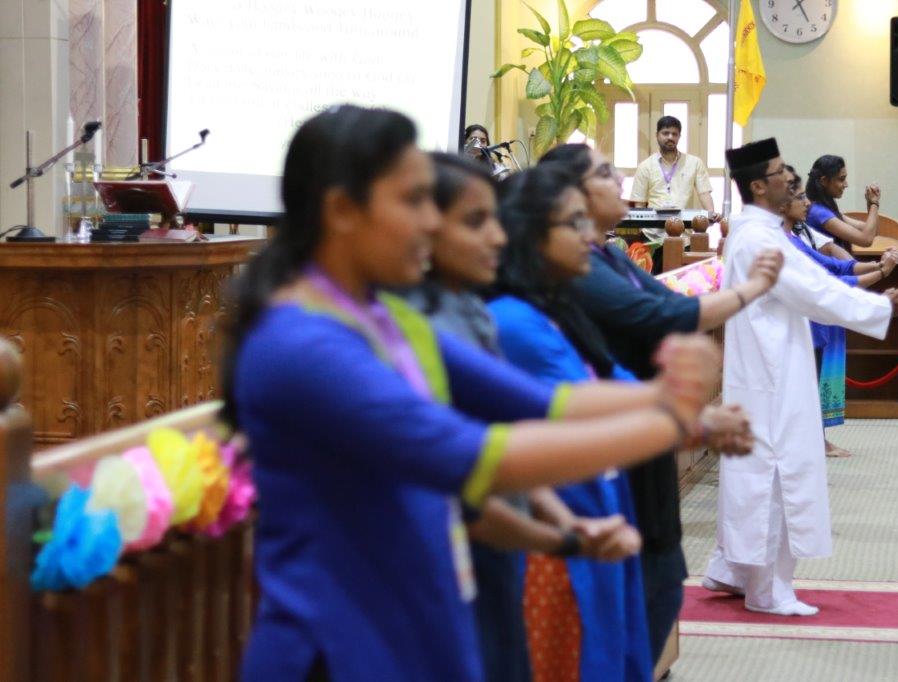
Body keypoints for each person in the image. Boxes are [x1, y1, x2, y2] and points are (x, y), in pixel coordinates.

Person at [223, 104, 725, 681]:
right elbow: (477, 457)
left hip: (419, 619)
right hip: (339, 645)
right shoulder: (301, 343)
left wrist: (663, 404)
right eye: (413, 201)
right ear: (341, 210)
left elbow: (541, 404)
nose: (430, 223)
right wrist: (671, 417)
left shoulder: (384, 315)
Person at [487, 164, 755, 681]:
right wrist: (679, 412)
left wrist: (693, 416)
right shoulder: (513, 320)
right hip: (560, 520)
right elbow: (561, 407)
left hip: (599, 507)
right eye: (573, 223)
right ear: (530, 234)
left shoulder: (556, 302)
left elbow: (610, 380)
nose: (587, 235)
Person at [405, 152, 642, 682]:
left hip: (528, 522)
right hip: (462, 548)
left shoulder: (477, 310)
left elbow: (503, 435)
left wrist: (565, 527)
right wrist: (676, 412)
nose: (496, 237)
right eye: (476, 222)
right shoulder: (459, 321)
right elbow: (535, 415)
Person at [538, 142, 782, 657]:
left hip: (644, 424)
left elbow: (669, 304)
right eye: (604, 173)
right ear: (569, 197)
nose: (620, 180)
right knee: (635, 592)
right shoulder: (574, 271)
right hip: (612, 441)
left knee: (663, 574)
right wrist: (750, 289)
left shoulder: (607, 254)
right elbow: (660, 318)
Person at [702, 137, 898, 617]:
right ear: (759, 185)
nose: (789, 179)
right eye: (780, 173)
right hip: (771, 371)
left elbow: (817, 280)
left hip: (772, 363)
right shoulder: (757, 237)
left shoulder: (766, 231)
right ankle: (767, 591)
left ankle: (734, 570)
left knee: (760, 469)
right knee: (775, 473)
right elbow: (811, 292)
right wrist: (877, 307)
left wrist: (873, 302)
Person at [783, 167, 898, 457]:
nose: (807, 203)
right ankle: (809, 444)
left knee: (813, 384)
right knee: (801, 390)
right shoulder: (785, 238)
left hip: (817, 318)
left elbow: (836, 264)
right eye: (800, 198)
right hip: (802, 322)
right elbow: (827, 277)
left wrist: (878, 268)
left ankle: (814, 442)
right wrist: (879, 272)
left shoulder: (796, 233)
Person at [630, 115, 719, 220]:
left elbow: (704, 193)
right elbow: (639, 203)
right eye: (665, 133)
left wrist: (711, 214)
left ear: (679, 136)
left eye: (674, 134)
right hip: (653, 228)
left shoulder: (694, 163)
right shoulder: (645, 166)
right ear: (657, 135)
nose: (670, 137)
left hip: (684, 226)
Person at [805, 154, 882, 250]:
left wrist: (870, 204)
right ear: (824, 181)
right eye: (841, 179)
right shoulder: (819, 213)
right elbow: (866, 239)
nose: (846, 184)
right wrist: (874, 203)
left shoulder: (825, 210)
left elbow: (873, 232)